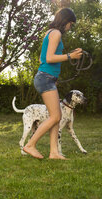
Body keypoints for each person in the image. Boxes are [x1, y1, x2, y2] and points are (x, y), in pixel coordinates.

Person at [23, 8, 83, 160]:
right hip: (45, 78)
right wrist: (70, 56)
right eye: (71, 23)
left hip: (46, 78)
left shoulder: (50, 32)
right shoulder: (56, 33)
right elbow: (49, 58)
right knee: (56, 116)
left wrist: (69, 56)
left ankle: (54, 152)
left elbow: (41, 59)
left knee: (55, 115)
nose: (70, 27)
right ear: (66, 21)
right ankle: (30, 145)